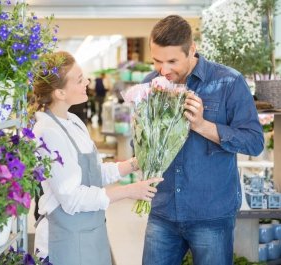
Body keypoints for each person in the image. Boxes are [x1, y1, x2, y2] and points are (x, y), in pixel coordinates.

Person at [141, 15, 264, 265]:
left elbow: (254, 142)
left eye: (172, 61)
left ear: (192, 49)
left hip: (212, 213)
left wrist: (202, 125)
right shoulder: (150, 85)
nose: (164, 70)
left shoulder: (229, 82)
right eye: (157, 61)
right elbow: (141, 147)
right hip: (163, 212)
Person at [32, 51, 163, 265]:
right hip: (64, 242)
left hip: (89, 233)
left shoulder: (73, 121)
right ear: (60, 93)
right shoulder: (47, 132)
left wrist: (134, 163)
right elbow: (72, 197)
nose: (87, 82)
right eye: (79, 79)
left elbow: (94, 173)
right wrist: (129, 191)